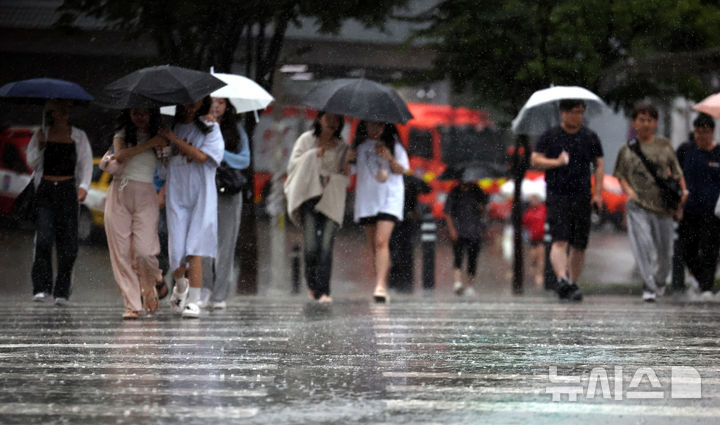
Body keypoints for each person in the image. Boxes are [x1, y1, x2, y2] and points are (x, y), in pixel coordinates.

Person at [530, 99, 604, 301]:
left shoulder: (589, 137)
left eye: (580, 112)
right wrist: (557, 162)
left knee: (580, 244)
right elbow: (535, 159)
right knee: (560, 239)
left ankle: (572, 282)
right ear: (563, 113)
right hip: (558, 194)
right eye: (572, 111)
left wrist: (598, 193)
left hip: (582, 195)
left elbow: (599, 165)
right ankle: (562, 278)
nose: (576, 116)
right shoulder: (551, 136)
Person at [613, 104, 688, 302]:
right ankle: (648, 285)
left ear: (655, 123)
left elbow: (678, 173)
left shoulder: (664, 145)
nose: (645, 124)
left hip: (663, 207)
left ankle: (660, 281)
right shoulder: (627, 149)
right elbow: (620, 176)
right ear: (634, 123)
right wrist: (629, 192)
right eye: (641, 119)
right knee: (643, 245)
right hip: (638, 206)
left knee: (665, 252)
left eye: (649, 120)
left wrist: (683, 194)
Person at [159, 96, 224, 319]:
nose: (190, 106)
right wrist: (165, 152)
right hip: (177, 195)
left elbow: (201, 155)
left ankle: (194, 302)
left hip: (201, 195)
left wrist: (173, 139)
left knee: (194, 248)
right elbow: (164, 166)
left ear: (203, 103)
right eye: (187, 102)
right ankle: (180, 287)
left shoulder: (211, 128)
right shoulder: (174, 127)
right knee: (176, 251)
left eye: (195, 102)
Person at [26, 99, 93, 305]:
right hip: (46, 190)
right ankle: (41, 286)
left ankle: (62, 290)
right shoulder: (42, 133)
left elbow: (86, 163)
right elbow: (32, 162)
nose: (63, 114)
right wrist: (39, 146)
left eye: (66, 111)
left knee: (68, 244)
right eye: (58, 111)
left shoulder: (78, 136)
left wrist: (83, 187)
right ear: (51, 113)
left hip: (67, 191)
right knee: (44, 239)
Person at [103, 108, 167, 319]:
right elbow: (120, 155)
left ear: (152, 115)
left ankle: (150, 286)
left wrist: (164, 146)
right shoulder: (122, 134)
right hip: (119, 193)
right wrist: (150, 143)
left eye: (144, 112)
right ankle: (132, 304)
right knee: (120, 252)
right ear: (129, 114)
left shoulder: (162, 135)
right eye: (136, 112)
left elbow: (167, 167)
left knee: (144, 250)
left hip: (146, 194)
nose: (140, 116)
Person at [284, 111, 352, 303]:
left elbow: (345, 176)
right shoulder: (306, 140)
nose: (332, 122)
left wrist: (346, 163)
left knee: (326, 246)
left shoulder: (342, 147)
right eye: (328, 118)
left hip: (332, 199)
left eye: (336, 119)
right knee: (311, 246)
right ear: (319, 119)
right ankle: (313, 285)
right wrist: (313, 154)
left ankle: (325, 291)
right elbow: (293, 166)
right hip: (309, 197)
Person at [200, 98, 251, 310]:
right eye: (213, 101)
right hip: (203, 188)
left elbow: (244, 160)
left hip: (228, 190)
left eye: (221, 102)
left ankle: (220, 294)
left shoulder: (236, 129)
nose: (217, 106)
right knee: (201, 241)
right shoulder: (199, 126)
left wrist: (220, 153)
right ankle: (203, 288)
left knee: (226, 244)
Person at [353, 121, 409, 303]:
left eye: (380, 126)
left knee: (381, 241)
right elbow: (346, 170)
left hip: (389, 199)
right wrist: (346, 158)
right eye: (372, 126)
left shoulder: (395, 145)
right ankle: (383, 276)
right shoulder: (359, 147)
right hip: (367, 199)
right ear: (365, 126)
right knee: (375, 247)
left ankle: (380, 287)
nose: (376, 129)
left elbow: (402, 170)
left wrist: (390, 157)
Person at [676, 113, 720, 298]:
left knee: (710, 249)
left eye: (705, 132)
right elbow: (675, 174)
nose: (701, 136)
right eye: (698, 132)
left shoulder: (718, 153)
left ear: (712, 132)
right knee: (687, 248)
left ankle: (706, 287)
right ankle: (702, 280)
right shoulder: (686, 150)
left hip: (713, 212)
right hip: (689, 209)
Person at [444, 172, 488, 296]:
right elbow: (447, 212)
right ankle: (457, 283)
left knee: (472, 258)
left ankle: (470, 285)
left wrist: (480, 206)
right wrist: (452, 229)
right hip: (459, 229)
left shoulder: (477, 191)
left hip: (474, 230)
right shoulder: (455, 192)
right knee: (458, 256)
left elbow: (484, 208)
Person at [523, 193, 547, 287]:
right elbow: (525, 223)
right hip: (533, 238)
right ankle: (534, 272)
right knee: (533, 257)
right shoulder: (528, 212)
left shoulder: (543, 210)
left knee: (541, 256)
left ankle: (539, 274)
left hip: (542, 238)